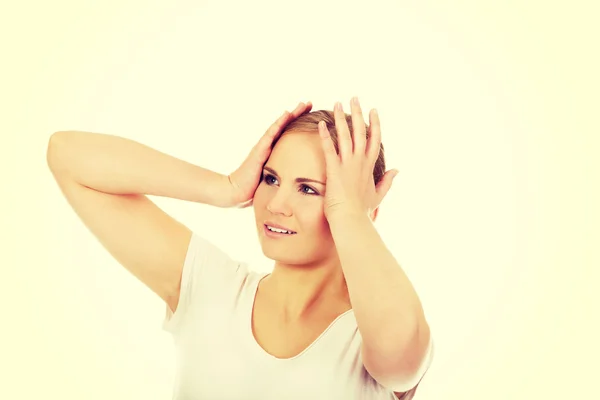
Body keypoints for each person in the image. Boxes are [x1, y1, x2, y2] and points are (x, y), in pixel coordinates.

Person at [46, 97, 434, 399]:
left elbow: (400, 361)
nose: (276, 204)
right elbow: (67, 155)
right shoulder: (211, 287)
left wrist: (350, 213)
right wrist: (225, 187)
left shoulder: (367, 335)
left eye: (308, 189)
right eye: (270, 178)